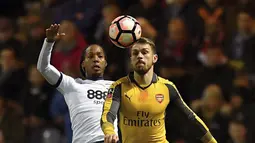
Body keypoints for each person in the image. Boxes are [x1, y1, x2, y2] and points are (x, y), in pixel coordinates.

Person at [101, 37, 217, 143]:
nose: (140, 56)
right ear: (131, 59)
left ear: (154, 58)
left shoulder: (167, 87)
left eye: (145, 52)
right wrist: (109, 131)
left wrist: (212, 141)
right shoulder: (119, 86)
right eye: (135, 53)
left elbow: (190, 118)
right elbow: (108, 114)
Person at [37, 24, 117, 143]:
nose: (96, 59)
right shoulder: (72, 85)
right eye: (90, 56)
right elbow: (44, 68)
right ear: (83, 63)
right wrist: (49, 42)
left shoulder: (117, 86)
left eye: (100, 56)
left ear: (105, 63)